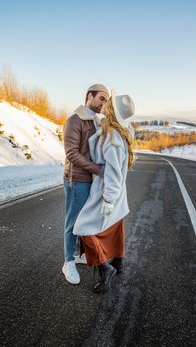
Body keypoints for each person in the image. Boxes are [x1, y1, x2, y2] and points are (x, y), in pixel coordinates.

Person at [73, 89, 135, 292]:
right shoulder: (117, 132)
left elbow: (114, 173)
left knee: (83, 228)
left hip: (106, 191)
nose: (105, 104)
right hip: (114, 191)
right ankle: (118, 262)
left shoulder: (113, 139)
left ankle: (104, 268)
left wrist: (108, 200)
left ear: (112, 111)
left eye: (109, 104)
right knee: (116, 224)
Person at [62, 84, 109, 284]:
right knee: (72, 222)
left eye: (106, 100)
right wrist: (98, 169)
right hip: (77, 181)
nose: (103, 104)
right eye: (102, 99)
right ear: (90, 96)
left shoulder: (96, 121)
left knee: (84, 221)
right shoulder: (75, 120)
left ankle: (77, 253)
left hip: (90, 181)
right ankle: (68, 262)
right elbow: (72, 154)